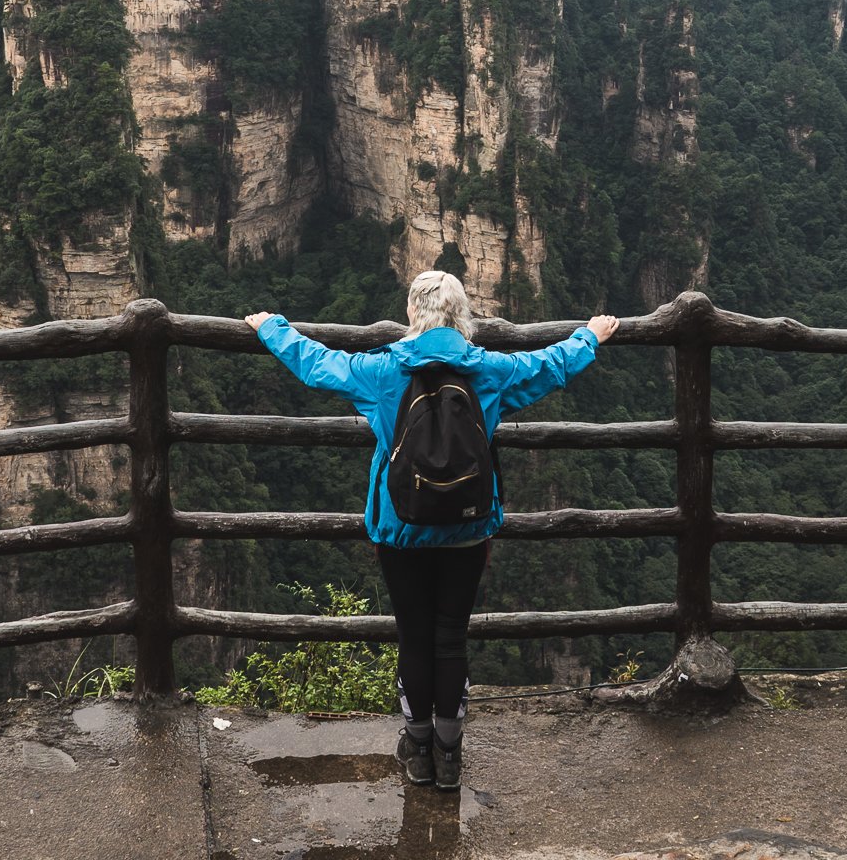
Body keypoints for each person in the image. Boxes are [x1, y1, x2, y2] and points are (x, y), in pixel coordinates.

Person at [245, 270, 618, 792]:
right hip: (467, 531)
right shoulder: (489, 370)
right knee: (450, 637)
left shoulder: (382, 372)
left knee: (414, 637)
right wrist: (589, 336)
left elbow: (318, 365)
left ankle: (418, 751)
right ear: (461, 312)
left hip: (400, 530)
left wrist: (272, 328)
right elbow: (548, 366)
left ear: (412, 312)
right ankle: (450, 754)